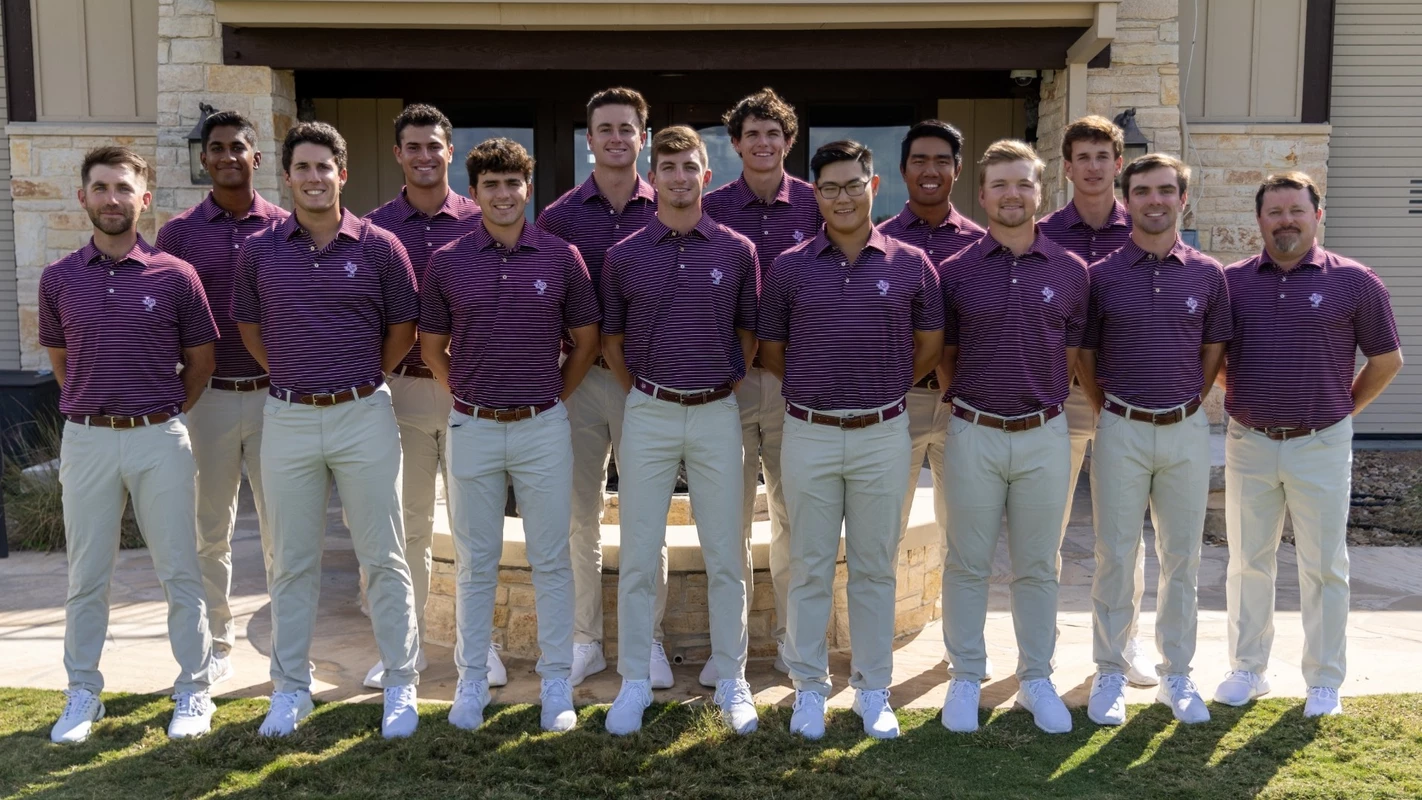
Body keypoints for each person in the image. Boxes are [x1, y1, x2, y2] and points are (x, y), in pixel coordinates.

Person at [232, 122, 423, 739]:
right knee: (290, 561)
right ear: (285, 177)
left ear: (343, 173)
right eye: (303, 168)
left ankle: (401, 681)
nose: (314, 178)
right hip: (287, 416)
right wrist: (298, 377)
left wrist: (357, 380)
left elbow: (401, 331)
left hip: (364, 412)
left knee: (384, 556)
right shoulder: (258, 251)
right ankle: (290, 688)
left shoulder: (380, 247)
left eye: (325, 167)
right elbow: (251, 331)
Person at [759, 140, 944, 740]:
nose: (843, 196)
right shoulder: (788, 266)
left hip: (883, 433)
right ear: (816, 194)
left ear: (874, 185)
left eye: (853, 185)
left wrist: (883, 384)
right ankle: (809, 688)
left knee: (874, 567)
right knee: (809, 565)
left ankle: (872, 689)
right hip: (809, 431)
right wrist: (819, 387)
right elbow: (772, 350)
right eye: (831, 187)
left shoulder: (912, 262)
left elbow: (930, 346)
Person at [420, 138, 599, 732]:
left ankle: (554, 686)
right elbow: (431, 347)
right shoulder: (446, 260)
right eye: (491, 184)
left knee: (551, 560)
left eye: (513, 183)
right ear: (474, 193)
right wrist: (465, 395)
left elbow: (585, 342)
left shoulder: (561, 256)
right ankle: (471, 682)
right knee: (476, 562)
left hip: (543, 426)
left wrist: (551, 400)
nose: (503, 194)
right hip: (472, 426)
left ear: (529, 189)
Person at [43, 146, 218, 743]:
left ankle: (194, 690)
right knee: (86, 576)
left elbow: (200, 363)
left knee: (179, 571)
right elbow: (62, 360)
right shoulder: (58, 278)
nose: (111, 198)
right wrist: (97, 410)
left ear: (145, 199)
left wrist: (163, 415)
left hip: (158, 439)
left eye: (123, 188)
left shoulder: (176, 275)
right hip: (88, 441)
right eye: (100, 187)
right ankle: (83, 692)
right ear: (83, 196)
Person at [1215, 172, 1403, 717]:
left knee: (1324, 565)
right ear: (1259, 220)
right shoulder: (1231, 282)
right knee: (1248, 561)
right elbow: (1216, 359)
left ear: (1317, 216)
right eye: (1274, 212)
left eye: (1296, 210)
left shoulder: (1356, 282)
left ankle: (1323, 680)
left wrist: (1341, 408)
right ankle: (1248, 670)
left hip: (1320, 443)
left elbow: (1386, 361)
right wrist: (1245, 393)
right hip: (1249, 440)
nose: (1286, 221)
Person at [600, 126, 760, 736]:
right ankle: (635, 681)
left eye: (689, 166)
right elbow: (611, 339)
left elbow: (749, 331)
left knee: (726, 551)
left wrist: (724, 378)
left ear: (706, 175)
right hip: (649, 410)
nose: (678, 176)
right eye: (666, 166)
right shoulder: (624, 255)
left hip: (718, 409)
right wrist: (641, 389)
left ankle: (734, 678)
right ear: (654, 175)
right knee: (640, 554)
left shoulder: (736, 250)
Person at [938, 140, 1087, 735]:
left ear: (1039, 192)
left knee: (1037, 565)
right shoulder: (955, 271)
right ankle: (966, 675)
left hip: (1043, 434)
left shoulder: (1072, 272)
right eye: (1000, 184)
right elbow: (945, 358)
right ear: (983, 195)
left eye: (1022, 184)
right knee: (967, 562)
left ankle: (1036, 678)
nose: (1011, 194)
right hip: (973, 431)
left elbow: (1071, 355)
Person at [1076, 154, 1231, 726]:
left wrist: (1189, 400)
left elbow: (1213, 353)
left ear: (1182, 199)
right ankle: (1111, 670)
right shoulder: (1102, 276)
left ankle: (1177, 674)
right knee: (1115, 555)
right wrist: (1107, 407)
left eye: (1166, 190)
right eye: (1142, 191)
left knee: (1181, 558)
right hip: (1120, 426)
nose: (1155, 200)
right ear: (1128, 200)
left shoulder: (1209, 275)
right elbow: (1085, 357)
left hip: (1185, 429)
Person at [537, 88, 671, 687]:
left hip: (647, 387)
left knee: (649, 519)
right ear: (587, 140)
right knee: (578, 517)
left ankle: (649, 642)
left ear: (643, 137)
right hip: (581, 384)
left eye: (627, 128)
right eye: (605, 129)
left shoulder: (669, 206)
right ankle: (585, 637)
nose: (617, 138)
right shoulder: (559, 217)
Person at [363, 103, 500, 690]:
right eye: (412, 147)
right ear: (399, 154)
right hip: (399, 393)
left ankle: (482, 647)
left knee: (475, 528)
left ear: (450, 151)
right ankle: (406, 647)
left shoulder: (483, 219)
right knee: (406, 527)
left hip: (467, 394)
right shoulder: (371, 228)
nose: (424, 156)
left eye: (434, 146)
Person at [156, 111, 289, 686]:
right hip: (207, 397)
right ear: (204, 160)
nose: (228, 155)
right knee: (209, 530)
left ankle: (291, 646)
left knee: (287, 531)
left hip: (275, 399)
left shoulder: (286, 225)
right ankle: (215, 643)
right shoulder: (179, 234)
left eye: (239, 147)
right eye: (217, 148)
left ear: (256, 159)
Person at [701, 87, 820, 684]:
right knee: (729, 521)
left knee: (792, 517)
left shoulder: (817, 203)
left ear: (788, 142)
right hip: (732, 380)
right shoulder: (711, 207)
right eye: (752, 134)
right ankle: (732, 654)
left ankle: (794, 648)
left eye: (774, 133)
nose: (763, 143)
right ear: (736, 143)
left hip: (798, 380)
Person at [1037, 115, 1158, 685]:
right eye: (1081, 157)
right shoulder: (1042, 233)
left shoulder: (1142, 230)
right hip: (1058, 398)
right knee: (1046, 528)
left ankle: (1121, 646)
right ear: (1066, 168)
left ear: (1117, 164)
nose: (1092, 167)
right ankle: (1043, 641)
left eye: (1102, 157)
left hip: (1120, 397)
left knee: (1121, 534)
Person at [875, 120, 989, 678]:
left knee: (963, 530)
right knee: (882, 531)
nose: (930, 170)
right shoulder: (877, 242)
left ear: (957, 170)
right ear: (902, 171)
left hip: (962, 404)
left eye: (941, 160)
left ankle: (961, 648)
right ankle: (878, 651)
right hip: (898, 402)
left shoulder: (981, 244)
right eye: (919, 160)